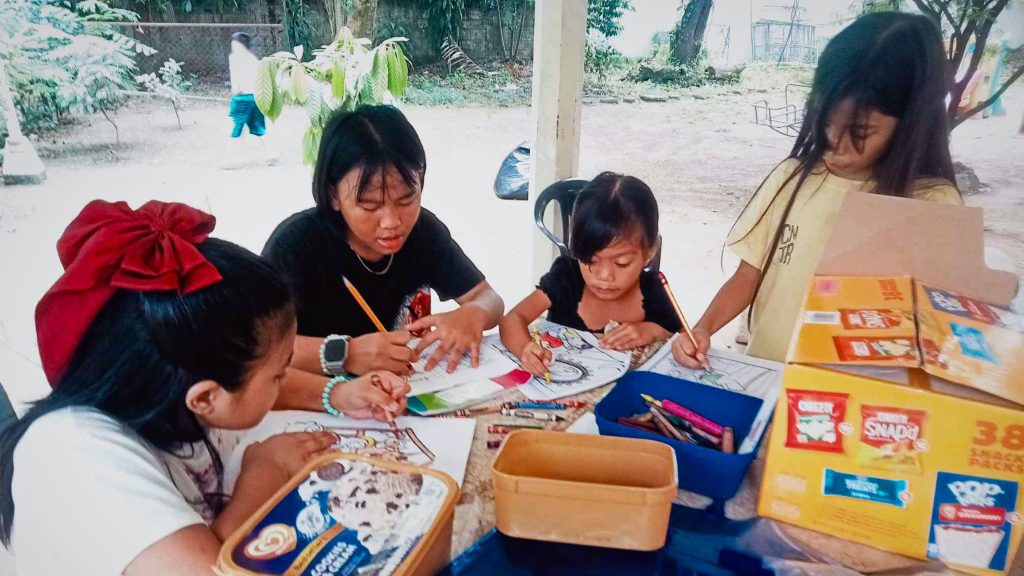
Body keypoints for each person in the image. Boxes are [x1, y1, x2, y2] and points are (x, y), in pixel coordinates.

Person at [0, 200, 408, 575]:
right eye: (279, 373)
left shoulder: (165, 385)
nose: (285, 380)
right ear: (205, 397)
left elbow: (250, 388)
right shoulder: (75, 457)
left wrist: (337, 394)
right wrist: (264, 472)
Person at [673, 12, 962, 368]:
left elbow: (942, 329)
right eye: (825, 123)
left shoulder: (934, 206)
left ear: (912, 123)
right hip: (768, 376)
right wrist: (701, 329)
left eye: (860, 133)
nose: (833, 147)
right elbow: (749, 275)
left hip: (857, 399)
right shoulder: (792, 178)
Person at [263, 105, 504, 409]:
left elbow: (490, 299)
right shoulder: (295, 246)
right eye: (369, 205)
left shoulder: (423, 232)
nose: (392, 221)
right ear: (334, 195)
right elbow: (259, 352)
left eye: (407, 199)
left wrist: (475, 313)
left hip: (405, 398)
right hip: (320, 402)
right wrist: (347, 354)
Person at [500, 172, 682, 376]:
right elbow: (512, 319)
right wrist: (525, 349)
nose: (604, 275)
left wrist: (653, 331)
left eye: (622, 263)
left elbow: (684, 340)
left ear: (649, 253)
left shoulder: (654, 291)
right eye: (590, 260)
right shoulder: (567, 279)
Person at [227, 32, 268, 149]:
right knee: (258, 128)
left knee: (236, 128)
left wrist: (236, 89)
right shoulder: (253, 59)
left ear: (241, 46)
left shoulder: (236, 58)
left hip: (243, 98)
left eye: (234, 45)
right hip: (255, 98)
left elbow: (237, 80)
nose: (232, 47)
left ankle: (227, 158)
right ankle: (272, 154)